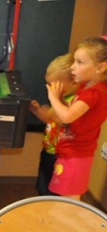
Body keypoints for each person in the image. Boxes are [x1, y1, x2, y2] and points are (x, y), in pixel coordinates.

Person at [47, 36, 107, 200]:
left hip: (76, 156)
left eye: (80, 62)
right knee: (64, 200)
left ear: (101, 67)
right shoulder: (87, 89)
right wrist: (60, 100)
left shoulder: (94, 93)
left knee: (69, 202)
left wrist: (53, 98)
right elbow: (70, 113)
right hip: (71, 154)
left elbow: (67, 117)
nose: (73, 67)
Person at [29, 54, 77, 196]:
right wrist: (37, 111)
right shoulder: (59, 99)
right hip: (48, 150)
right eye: (49, 84)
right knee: (43, 186)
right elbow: (50, 120)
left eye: (54, 85)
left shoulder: (73, 101)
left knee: (55, 190)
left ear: (73, 83)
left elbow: (63, 120)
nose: (50, 89)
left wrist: (52, 106)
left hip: (61, 156)